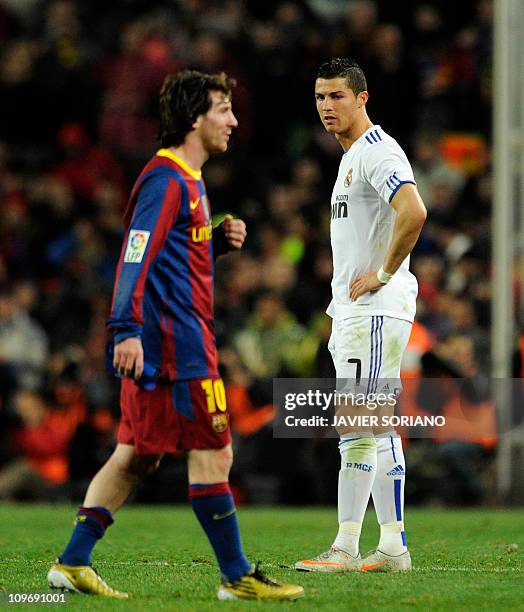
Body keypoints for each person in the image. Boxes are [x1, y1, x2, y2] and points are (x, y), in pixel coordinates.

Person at [47, 69, 304, 602]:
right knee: (216, 452)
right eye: (222, 110)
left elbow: (169, 256)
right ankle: (237, 576)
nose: (233, 120)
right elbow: (135, 253)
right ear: (194, 118)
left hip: (167, 343)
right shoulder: (168, 180)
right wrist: (124, 329)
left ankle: (72, 563)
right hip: (176, 348)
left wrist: (213, 241)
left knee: (136, 456)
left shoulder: (186, 181)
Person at [295, 58, 426, 573]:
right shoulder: (353, 158)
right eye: (321, 97)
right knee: (380, 428)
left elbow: (414, 211)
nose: (328, 106)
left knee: (356, 427)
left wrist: (385, 274)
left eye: (337, 97)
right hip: (363, 311)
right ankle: (392, 545)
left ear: (362, 98)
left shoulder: (376, 152)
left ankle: (346, 547)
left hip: (372, 311)